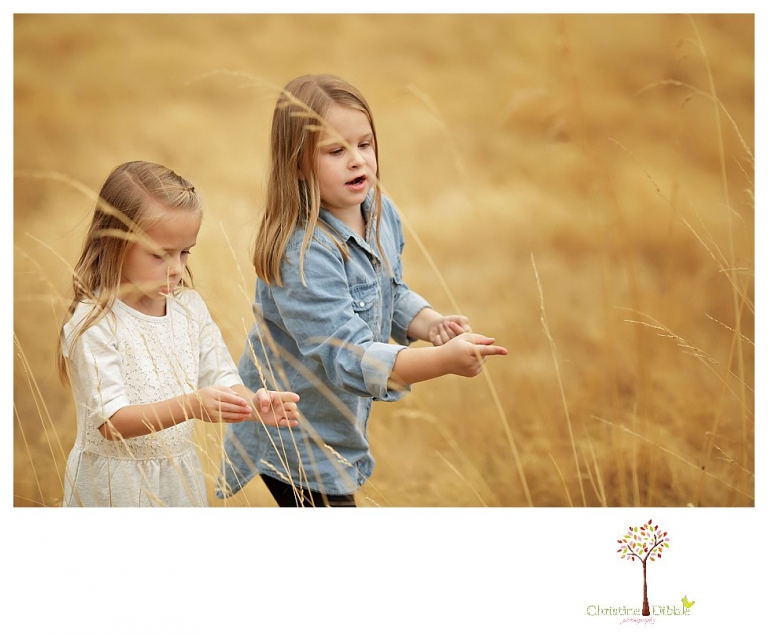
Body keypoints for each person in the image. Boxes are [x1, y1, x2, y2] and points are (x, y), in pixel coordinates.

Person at [218, 74, 508, 507]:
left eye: (365, 144)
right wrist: (441, 362)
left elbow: (389, 291)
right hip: (294, 437)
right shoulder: (302, 254)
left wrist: (430, 324)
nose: (358, 161)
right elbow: (347, 355)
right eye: (336, 151)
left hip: (337, 429)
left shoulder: (378, 210)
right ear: (297, 163)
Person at [57, 160, 301, 507]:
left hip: (177, 482)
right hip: (114, 488)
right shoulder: (95, 322)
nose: (176, 269)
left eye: (185, 252)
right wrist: (191, 405)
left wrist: (254, 404)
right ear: (112, 242)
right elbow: (111, 423)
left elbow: (219, 374)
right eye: (160, 254)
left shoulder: (189, 308)